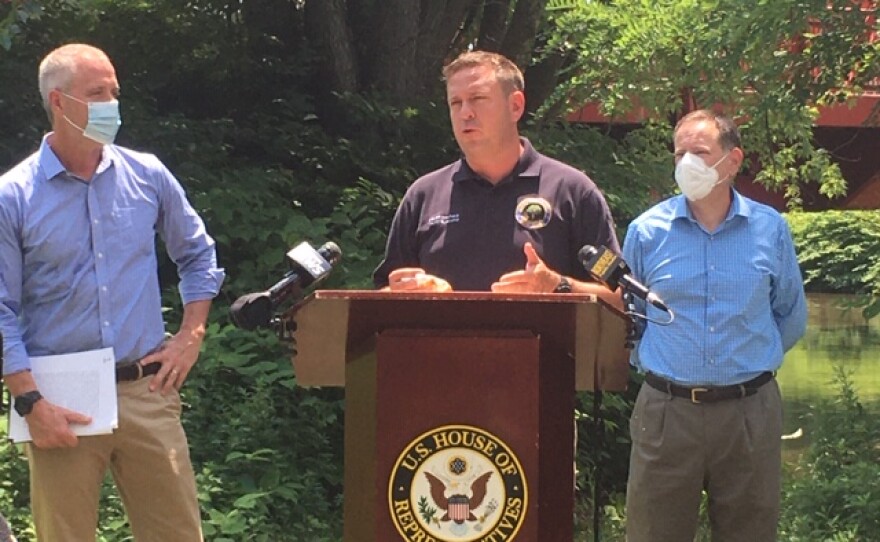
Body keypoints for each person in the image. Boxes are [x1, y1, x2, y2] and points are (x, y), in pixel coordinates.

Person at [0, 43, 224, 541]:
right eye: (97, 93)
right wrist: (29, 401)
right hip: (58, 398)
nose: (111, 105)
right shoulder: (13, 196)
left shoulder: (147, 175)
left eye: (114, 93)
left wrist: (192, 332)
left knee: (178, 535)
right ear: (59, 102)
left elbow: (198, 255)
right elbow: (0, 308)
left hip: (148, 389)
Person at [622, 110, 808, 541]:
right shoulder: (646, 231)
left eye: (700, 152)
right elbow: (630, 319)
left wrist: (749, 362)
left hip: (749, 412)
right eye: (680, 153)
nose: (687, 162)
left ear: (733, 159)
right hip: (667, 411)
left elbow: (790, 315)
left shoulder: (770, 229)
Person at [373, 50, 620, 303]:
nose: (465, 113)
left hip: (544, 343)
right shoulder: (424, 196)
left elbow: (620, 296)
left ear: (515, 106)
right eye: (455, 103)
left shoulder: (573, 191)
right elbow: (379, 298)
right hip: (441, 343)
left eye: (477, 98)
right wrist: (406, 294)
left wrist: (558, 286)